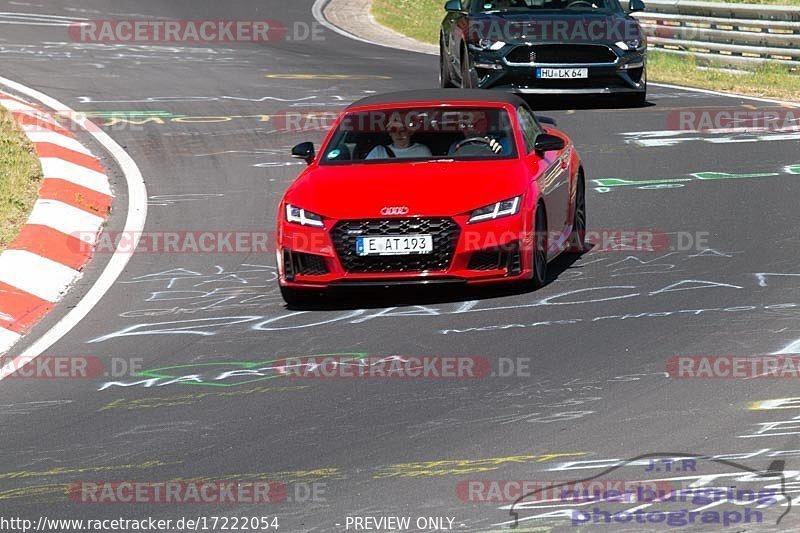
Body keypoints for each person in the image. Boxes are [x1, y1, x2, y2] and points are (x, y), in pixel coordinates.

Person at [366, 116, 432, 160]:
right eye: (394, 130)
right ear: (390, 133)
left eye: (402, 130)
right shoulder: (378, 151)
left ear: (410, 132)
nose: (398, 134)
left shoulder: (422, 151)